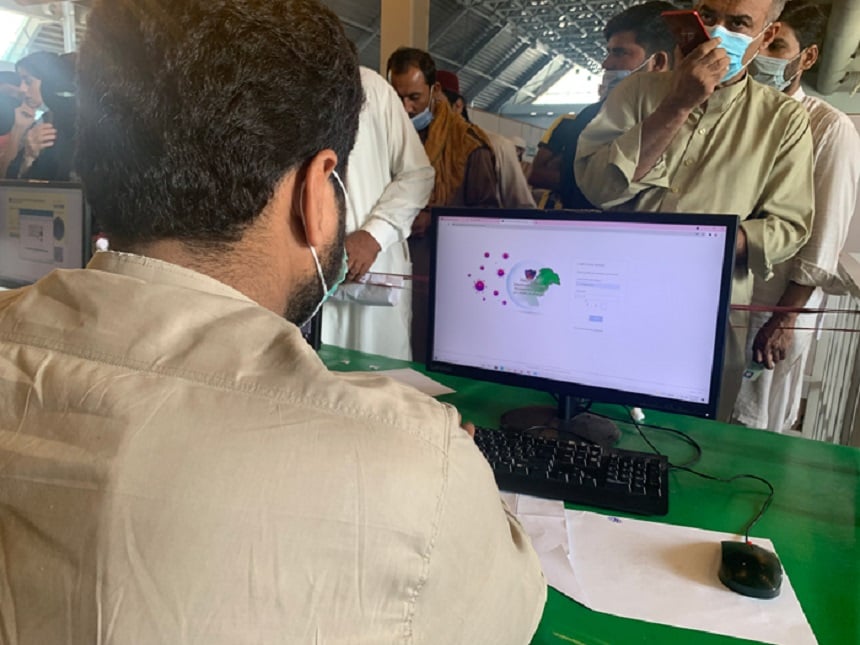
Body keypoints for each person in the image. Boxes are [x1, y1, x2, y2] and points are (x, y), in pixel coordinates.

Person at [0, 1, 546, 643]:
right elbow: (508, 610)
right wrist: (452, 466)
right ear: (320, 193)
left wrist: (375, 233)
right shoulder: (413, 466)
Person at [574, 0, 815, 421]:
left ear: (767, 35)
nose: (716, 32)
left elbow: (789, 227)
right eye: (708, 16)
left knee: (686, 448)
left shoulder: (784, 121)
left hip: (709, 317)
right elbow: (598, 187)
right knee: (592, 428)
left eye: (739, 23)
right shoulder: (637, 93)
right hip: (611, 300)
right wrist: (677, 105)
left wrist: (710, 245)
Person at [734, 1, 860, 431]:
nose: (762, 56)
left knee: (754, 423)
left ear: (807, 57)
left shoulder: (828, 127)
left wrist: (785, 318)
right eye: (760, 43)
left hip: (775, 306)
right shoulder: (739, 114)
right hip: (727, 299)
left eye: (778, 46)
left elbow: (823, 235)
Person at [387, 47, 502, 361]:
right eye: (397, 97)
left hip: (443, 273)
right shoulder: (384, 135)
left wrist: (433, 219)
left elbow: (489, 219)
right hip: (392, 269)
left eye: (414, 97)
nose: (405, 108)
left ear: (435, 90)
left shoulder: (468, 145)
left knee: (430, 353)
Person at [321, 66, 434, 360]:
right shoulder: (275, 91)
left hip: (372, 271)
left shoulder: (370, 88)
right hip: (306, 275)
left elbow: (418, 174)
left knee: (380, 382)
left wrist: (374, 234)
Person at [531, 1, 677, 210]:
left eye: (619, 53)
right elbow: (576, 192)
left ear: (658, 62)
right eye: (608, 52)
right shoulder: (589, 118)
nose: (606, 63)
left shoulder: (695, 121)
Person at [436, 69, 536, 208]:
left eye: (436, 106)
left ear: (458, 106)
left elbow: (522, 207)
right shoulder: (420, 147)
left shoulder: (497, 145)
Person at [5, 51, 61, 179]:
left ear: (49, 81)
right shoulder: (40, 121)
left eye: (28, 81)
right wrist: (18, 129)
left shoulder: (72, 125)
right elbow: (7, 179)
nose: (22, 89)